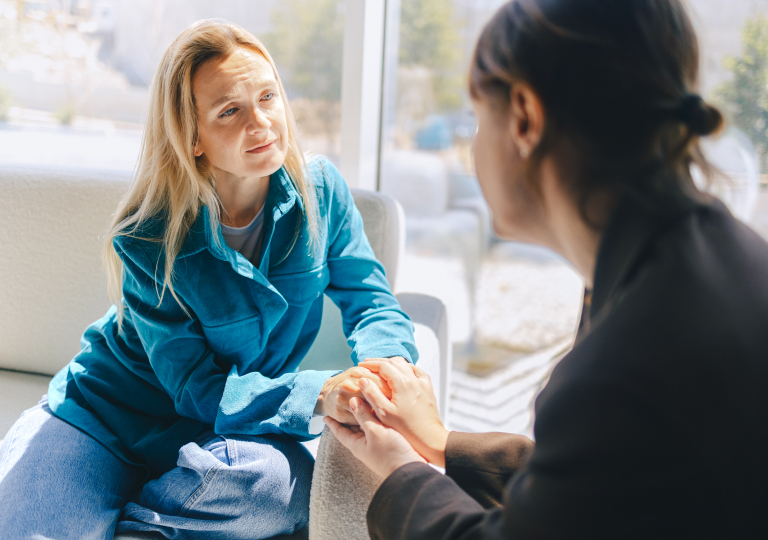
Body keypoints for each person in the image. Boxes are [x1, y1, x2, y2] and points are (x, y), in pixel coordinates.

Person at [326, 0, 768, 538]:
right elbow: (603, 479)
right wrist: (442, 441)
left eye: (475, 120)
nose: (472, 148)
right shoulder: (712, 258)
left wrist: (400, 472)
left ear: (524, 119)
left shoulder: (622, 368)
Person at [0, 20, 417, 540]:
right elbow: (198, 389)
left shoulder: (321, 192)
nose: (261, 122)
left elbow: (371, 301)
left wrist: (388, 373)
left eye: (268, 97)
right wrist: (319, 392)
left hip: (224, 442)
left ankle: (124, 517)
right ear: (192, 138)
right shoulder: (148, 237)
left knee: (271, 485)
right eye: (230, 111)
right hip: (103, 419)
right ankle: (105, 499)